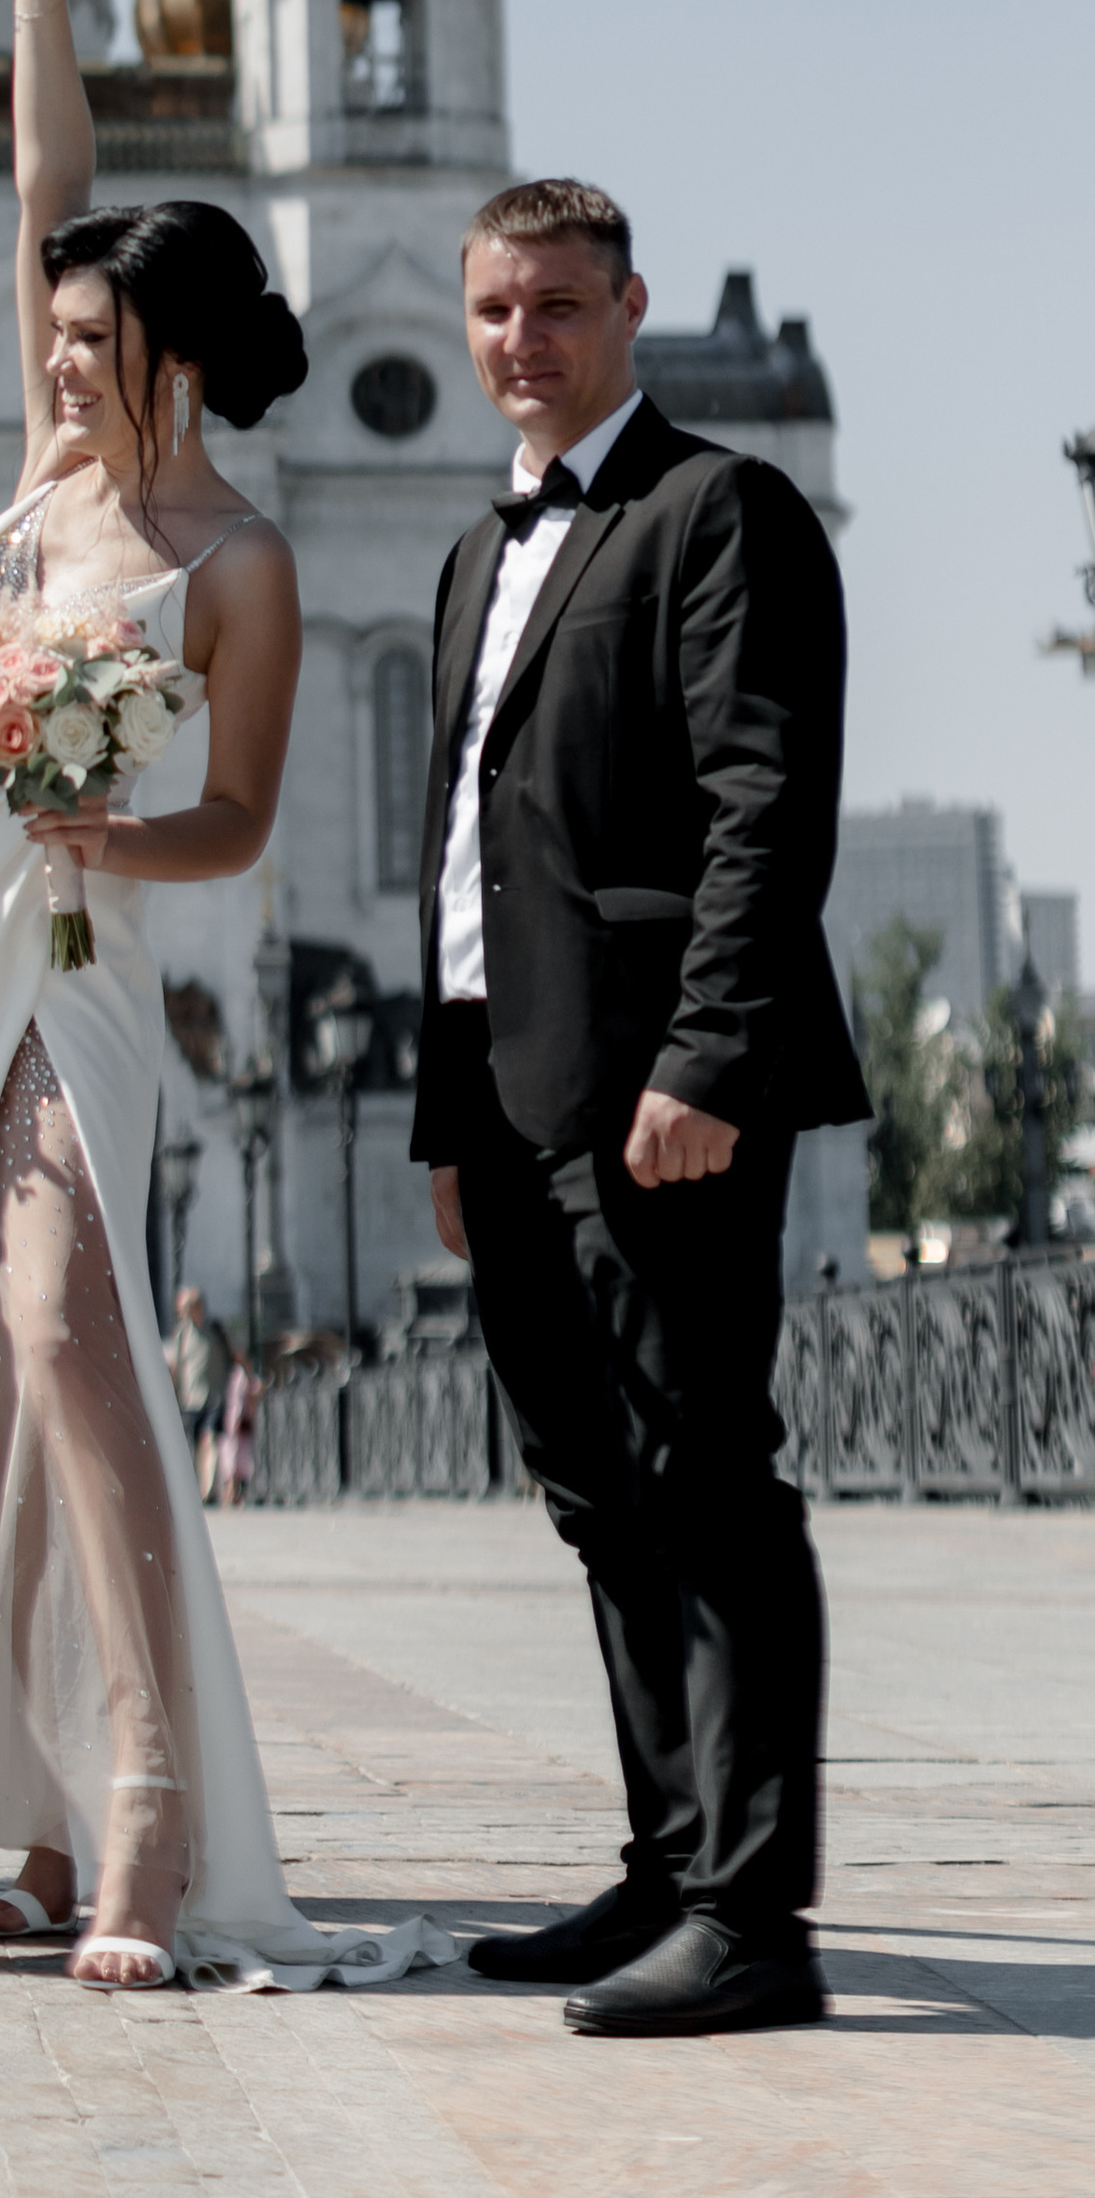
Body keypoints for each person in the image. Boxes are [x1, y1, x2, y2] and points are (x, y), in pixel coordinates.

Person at [0, 0, 451, 1998]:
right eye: (49, 343)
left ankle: (154, 1799)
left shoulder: (234, 562)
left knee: (72, 1335)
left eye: (82, 341)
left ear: (163, 349)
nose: (49, 359)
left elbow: (241, 819)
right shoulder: (50, 475)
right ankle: (43, 1808)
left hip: (73, 956)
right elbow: (37, 178)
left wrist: (97, 830)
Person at [413, 180, 863, 2040]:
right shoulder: (472, 552)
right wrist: (445, 1120)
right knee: (598, 1494)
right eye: (499, 311)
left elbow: (768, 811)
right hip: (507, 1091)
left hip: (659, 1088)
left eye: (562, 308)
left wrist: (706, 1061)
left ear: (629, 309)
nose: (528, 340)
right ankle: (670, 1863)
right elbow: (459, 866)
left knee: (709, 1481)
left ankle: (757, 1917)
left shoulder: (715, 512)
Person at [165, 1287, 229, 1506]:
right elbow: (176, 1366)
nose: (180, 1312)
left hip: (214, 1396)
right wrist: (172, 1393)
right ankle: (196, 1488)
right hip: (190, 1399)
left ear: (197, 1307)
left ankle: (208, 1489)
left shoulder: (215, 1330)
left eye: (184, 1307)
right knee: (192, 1445)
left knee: (209, 1440)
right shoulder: (182, 1332)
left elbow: (236, 1355)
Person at [215, 1344, 261, 1508]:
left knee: (236, 1457)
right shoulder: (234, 1374)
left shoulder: (241, 1376)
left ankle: (233, 1493)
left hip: (238, 1420)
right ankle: (229, 1493)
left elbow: (254, 1393)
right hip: (232, 1420)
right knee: (231, 1456)